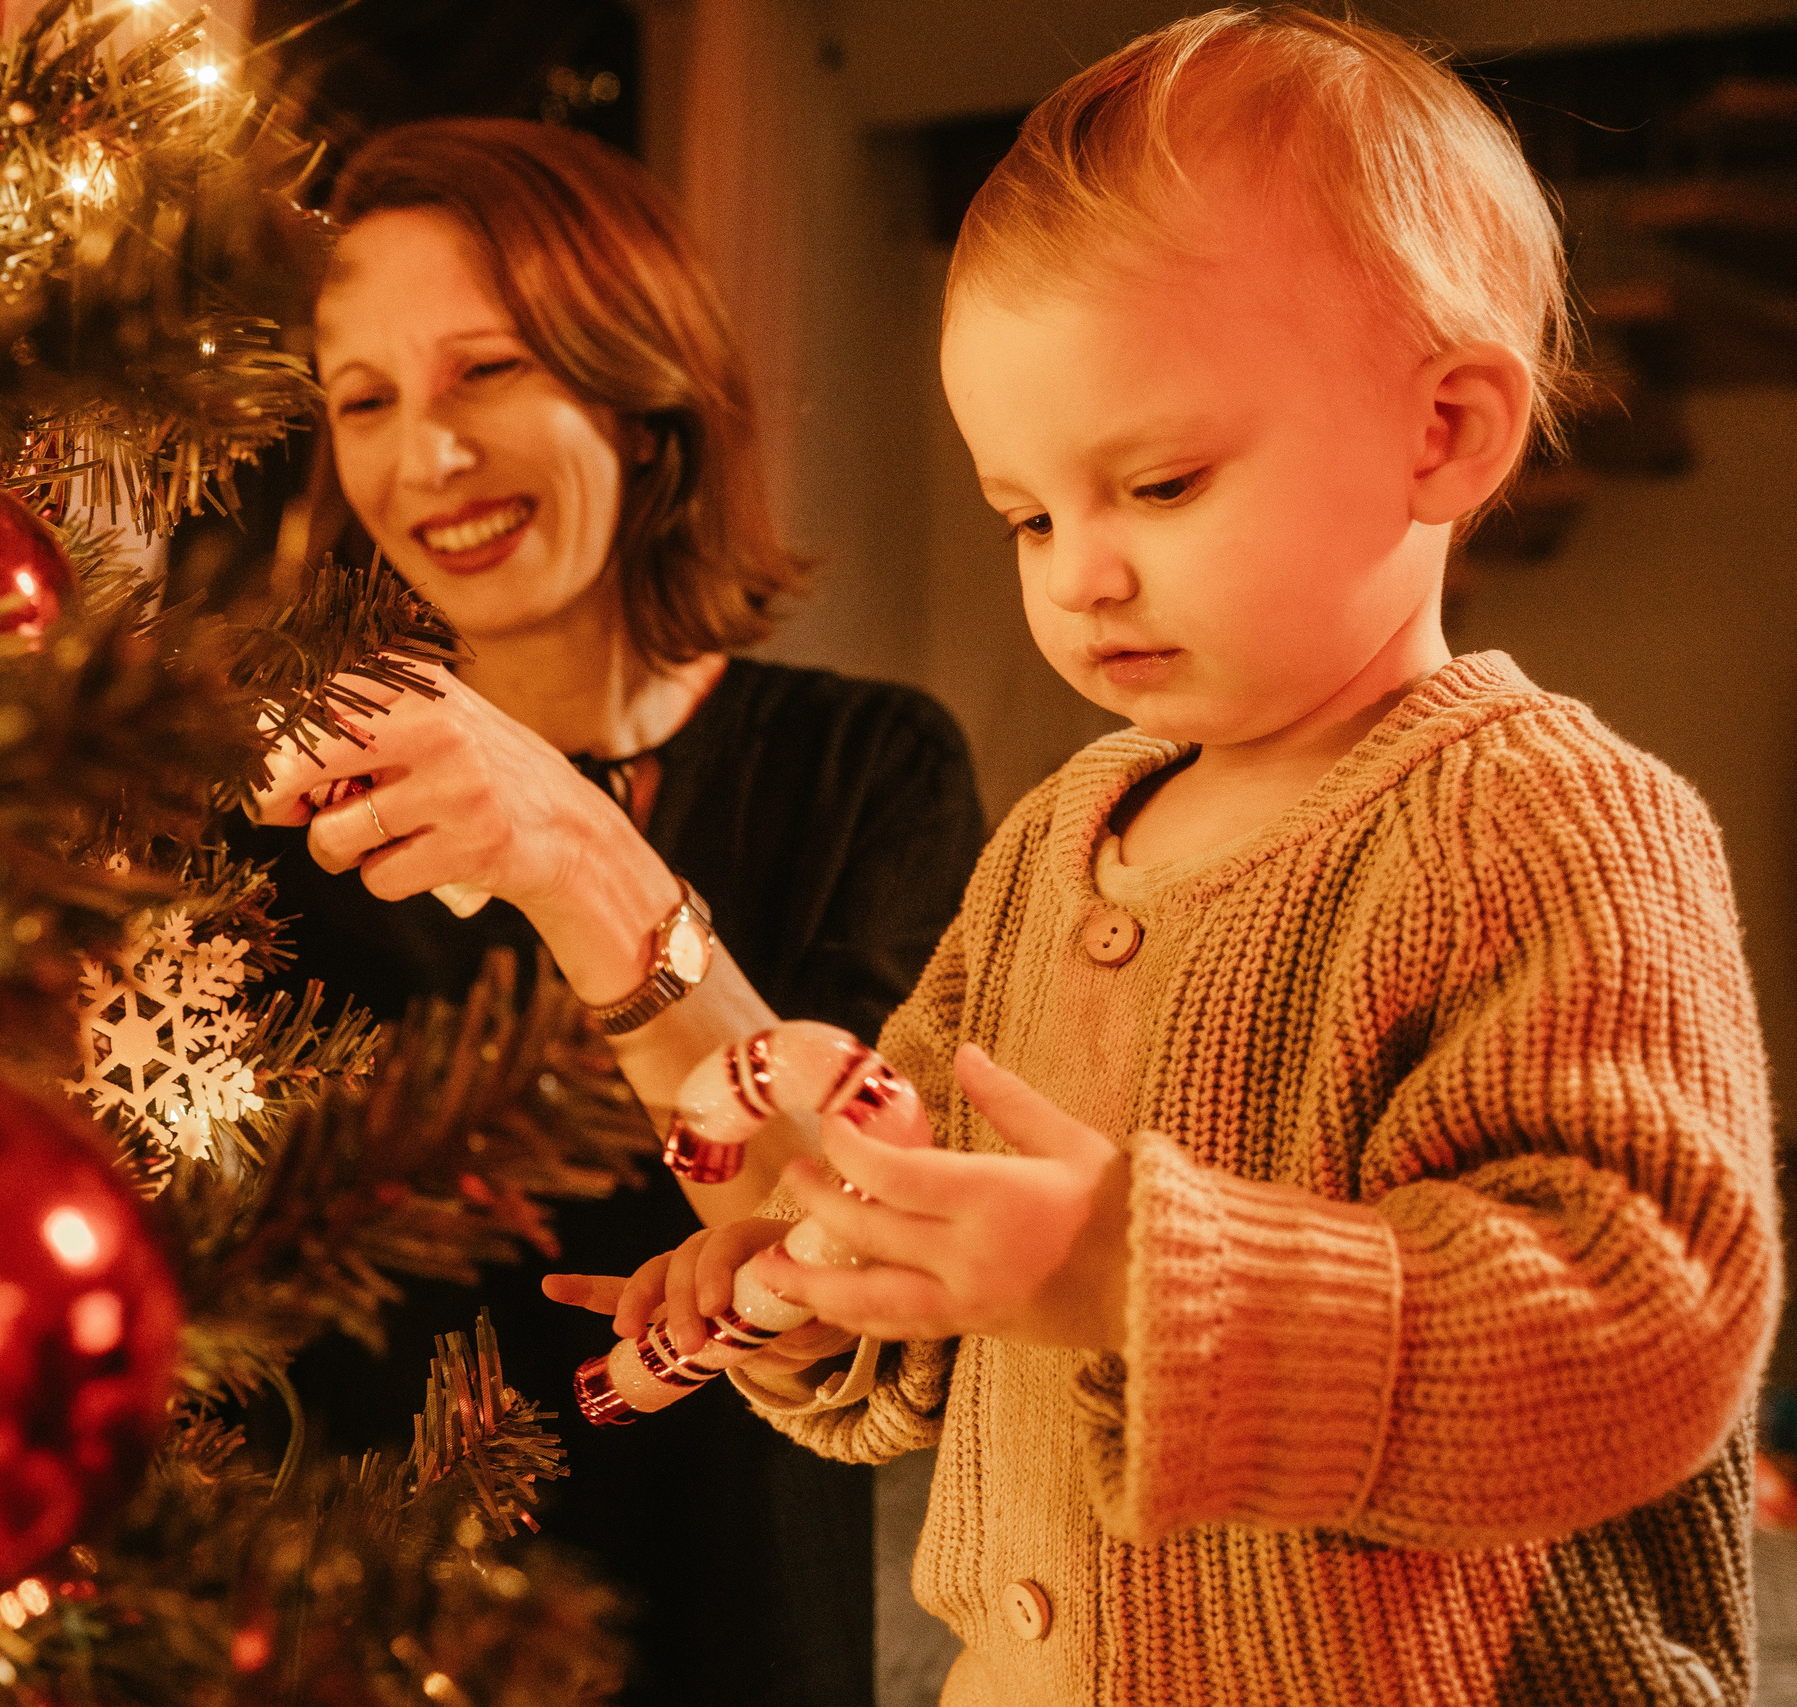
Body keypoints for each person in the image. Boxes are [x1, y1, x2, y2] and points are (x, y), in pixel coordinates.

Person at [545, 10, 1780, 1704]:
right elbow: (932, 1220)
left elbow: (1645, 1338)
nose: (1080, 574)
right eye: (1029, 515)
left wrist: (1132, 1274)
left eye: (1164, 484)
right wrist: (827, 1276)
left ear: (1443, 431)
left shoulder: (1548, 821)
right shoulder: (1058, 837)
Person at [240, 119, 985, 1707]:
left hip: (739, 1657)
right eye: (363, 400)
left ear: (644, 399)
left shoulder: (872, 766)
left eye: (487, 370)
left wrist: (579, 852)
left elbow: (841, 1239)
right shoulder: (288, 816)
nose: (425, 458)